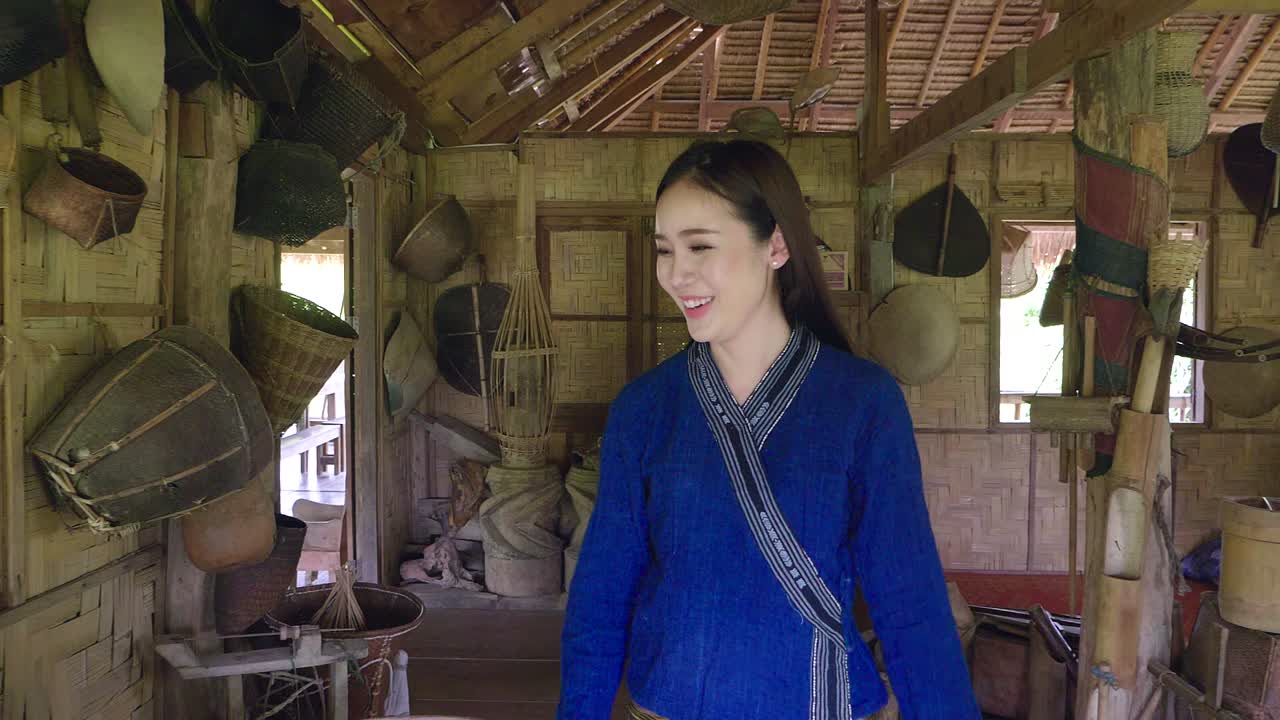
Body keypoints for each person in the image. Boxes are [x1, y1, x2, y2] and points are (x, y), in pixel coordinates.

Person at [557, 140, 979, 720]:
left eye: (700, 246)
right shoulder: (645, 410)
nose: (677, 275)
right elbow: (600, 602)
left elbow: (910, 606)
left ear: (776, 245)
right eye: (664, 251)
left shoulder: (862, 404)